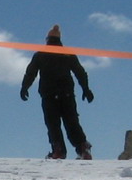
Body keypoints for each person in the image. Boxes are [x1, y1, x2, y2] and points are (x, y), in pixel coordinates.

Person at [20, 25, 94, 160]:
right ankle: (83, 148)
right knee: (71, 121)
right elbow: (80, 72)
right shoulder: (68, 54)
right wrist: (86, 89)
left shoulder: (40, 54)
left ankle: (58, 151)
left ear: (48, 39)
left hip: (49, 94)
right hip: (67, 94)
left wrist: (24, 87)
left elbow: (31, 73)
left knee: (53, 123)